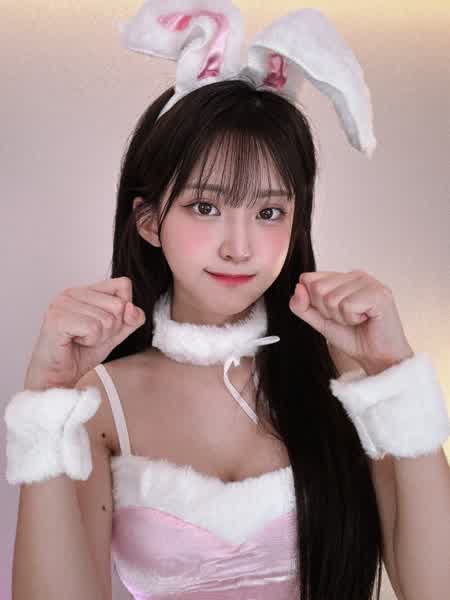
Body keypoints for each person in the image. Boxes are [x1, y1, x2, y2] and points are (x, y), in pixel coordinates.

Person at [5, 2, 450, 600]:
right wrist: (45, 399)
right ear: (149, 222)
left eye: (269, 212)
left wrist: (396, 373)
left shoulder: (346, 378)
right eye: (206, 206)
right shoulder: (98, 403)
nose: (239, 248)